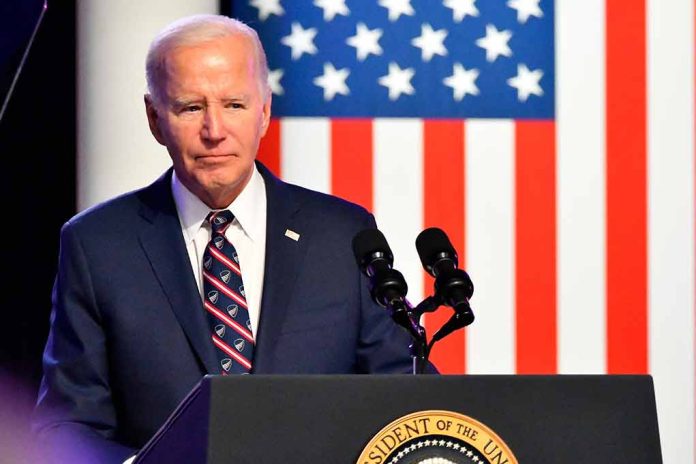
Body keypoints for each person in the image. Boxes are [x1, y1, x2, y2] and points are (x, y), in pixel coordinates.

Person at [32, 14, 432, 464]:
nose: (214, 130)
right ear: (154, 118)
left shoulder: (343, 235)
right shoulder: (98, 245)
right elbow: (64, 427)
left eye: (234, 105)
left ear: (264, 112)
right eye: (191, 107)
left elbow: (409, 401)